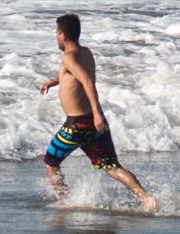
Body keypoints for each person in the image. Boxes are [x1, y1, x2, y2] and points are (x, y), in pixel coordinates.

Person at [38, 12, 157, 211]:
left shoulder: (67, 57)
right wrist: (56, 80)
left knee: (51, 162)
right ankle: (146, 198)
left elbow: (87, 82)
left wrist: (97, 113)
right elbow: (79, 76)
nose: (56, 36)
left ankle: (64, 202)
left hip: (77, 124)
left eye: (56, 33)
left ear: (63, 35)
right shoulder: (86, 53)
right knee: (112, 167)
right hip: (93, 124)